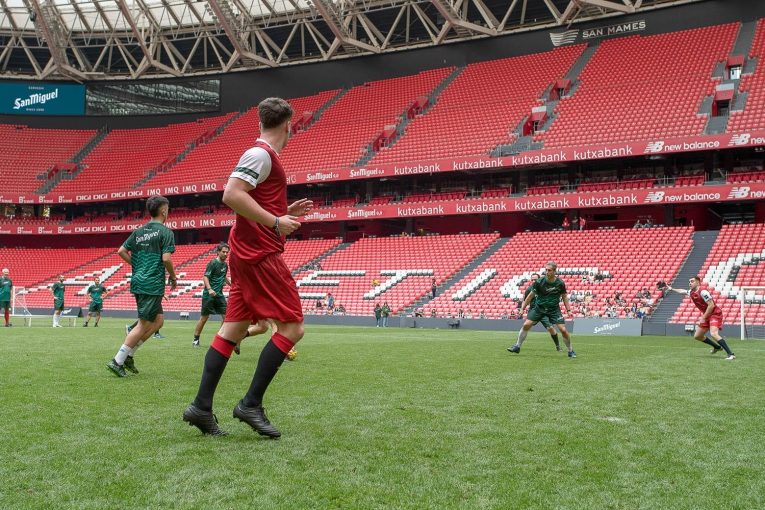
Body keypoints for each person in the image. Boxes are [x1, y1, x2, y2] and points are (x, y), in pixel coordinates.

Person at [183, 97, 314, 438]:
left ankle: (201, 407)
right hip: (260, 256)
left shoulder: (263, 157)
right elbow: (232, 194)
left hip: (246, 254)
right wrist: (275, 221)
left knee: (232, 330)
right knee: (292, 329)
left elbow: (251, 199)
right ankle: (250, 404)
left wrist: (286, 211)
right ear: (289, 125)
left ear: (260, 123)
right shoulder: (260, 154)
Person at [107, 195, 177, 377]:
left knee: (158, 320)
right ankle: (118, 360)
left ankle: (129, 355)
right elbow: (166, 258)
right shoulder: (166, 232)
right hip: (152, 283)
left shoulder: (138, 231)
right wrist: (173, 277)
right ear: (163, 210)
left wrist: (136, 266)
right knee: (143, 324)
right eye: (167, 209)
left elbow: (121, 250)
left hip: (139, 280)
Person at [508, 262, 577, 358]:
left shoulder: (560, 283)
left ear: (554, 271)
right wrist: (522, 308)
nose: (547, 272)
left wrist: (568, 310)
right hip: (539, 308)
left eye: (549, 270)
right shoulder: (539, 282)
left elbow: (564, 296)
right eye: (546, 270)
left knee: (563, 330)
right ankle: (517, 346)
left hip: (554, 309)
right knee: (526, 324)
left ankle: (570, 351)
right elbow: (530, 296)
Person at [666, 277, 735, 360]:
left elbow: (711, 305)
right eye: (689, 281)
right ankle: (717, 347)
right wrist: (671, 289)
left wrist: (703, 317)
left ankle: (730, 354)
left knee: (713, 333)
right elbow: (682, 291)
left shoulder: (703, 292)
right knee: (697, 336)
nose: (690, 283)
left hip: (714, 314)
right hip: (707, 315)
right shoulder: (691, 292)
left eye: (692, 281)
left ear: (698, 282)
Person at [193, 243, 232, 347]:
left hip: (219, 294)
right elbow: (205, 277)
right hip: (209, 294)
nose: (225, 254)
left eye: (227, 252)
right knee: (204, 318)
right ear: (218, 252)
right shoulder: (212, 263)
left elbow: (224, 277)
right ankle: (196, 339)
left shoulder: (225, 265)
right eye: (223, 252)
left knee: (225, 317)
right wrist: (209, 289)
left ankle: (220, 339)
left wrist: (232, 285)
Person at [523, 272, 563, 351]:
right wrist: (521, 309)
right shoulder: (528, 289)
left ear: (539, 279)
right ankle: (517, 345)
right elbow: (526, 300)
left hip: (544, 312)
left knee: (551, 328)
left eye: (535, 279)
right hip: (534, 311)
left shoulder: (544, 287)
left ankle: (558, 346)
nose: (534, 281)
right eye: (532, 280)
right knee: (525, 326)